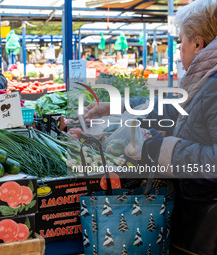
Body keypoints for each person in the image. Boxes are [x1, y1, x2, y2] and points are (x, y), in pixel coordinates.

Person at [84, 0, 217, 254]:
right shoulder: (205, 79)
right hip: (197, 213)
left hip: (208, 224)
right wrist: (118, 105)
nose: (179, 50)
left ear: (198, 44)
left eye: (180, 42)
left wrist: (162, 148)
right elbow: (172, 110)